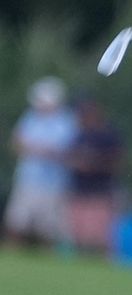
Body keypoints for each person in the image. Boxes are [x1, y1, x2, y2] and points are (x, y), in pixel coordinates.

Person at [3, 76, 78, 250]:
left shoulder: (66, 121)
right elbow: (17, 143)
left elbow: (66, 151)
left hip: (54, 183)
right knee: (16, 222)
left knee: (48, 228)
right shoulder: (30, 117)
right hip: (28, 178)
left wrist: (39, 150)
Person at [65, 98, 123, 255]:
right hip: (80, 188)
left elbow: (116, 161)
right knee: (78, 231)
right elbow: (70, 157)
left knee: (100, 233)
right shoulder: (79, 135)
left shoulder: (107, 135)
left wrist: (92, 164)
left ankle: (103, 260)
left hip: (100, 189)